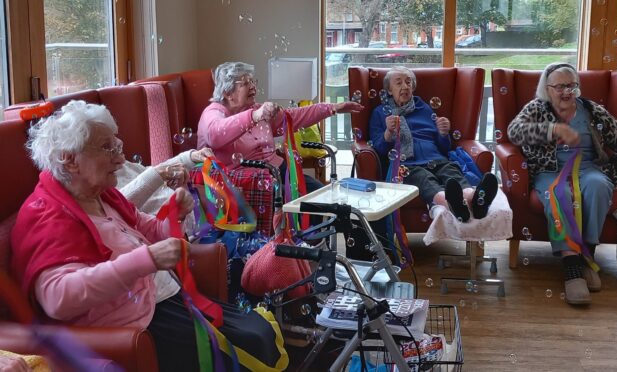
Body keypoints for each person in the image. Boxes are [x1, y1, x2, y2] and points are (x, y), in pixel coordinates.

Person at [11, 100, 286, 371]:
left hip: (161, 301)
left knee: (258, 330)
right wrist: (147, 259)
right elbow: (57, 299)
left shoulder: (102, 197)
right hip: (134, 325)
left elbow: (150, 230)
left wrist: (173, 217)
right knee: (249, 343)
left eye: (117, 146)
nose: (119, 158)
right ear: (70, 161)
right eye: (107, 148)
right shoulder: (47, 216)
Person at [507, 62, 617, 305]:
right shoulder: (537, 108)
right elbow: (514, 132)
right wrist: (553, 129)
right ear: (547, 89)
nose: (566, 92)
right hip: (551, 170)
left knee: (599, 186)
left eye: (571, 86)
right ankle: (572, 269)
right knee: (559, 193)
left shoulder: (592, 110)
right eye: (559, 86)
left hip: (588, 167)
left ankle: (586, 257)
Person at [198, 61, 363, 195]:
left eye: (253, 81)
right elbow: (215, 134)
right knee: (307, 202)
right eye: (246, 83)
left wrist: (332, 108)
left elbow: (294, 116)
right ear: (228, 92)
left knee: (321, 194)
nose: (253, 87)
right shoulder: (213, 112)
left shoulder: (256, 109)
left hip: (278, 172)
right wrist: (255, 116)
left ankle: (311, 236)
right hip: (245, 184)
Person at [369, 66, 499, 223]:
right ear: (389, 90)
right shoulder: (381, 113)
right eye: (399, 83)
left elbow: (444, 148)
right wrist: (388, 133)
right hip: (407, 165)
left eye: (408, 82)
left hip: (437, 159)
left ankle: (476, 201)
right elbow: (378, 149)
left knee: (452, 173)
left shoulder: (424, 108)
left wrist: (443, 134)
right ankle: (454, 206)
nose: (405, 86)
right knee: (425, 179)